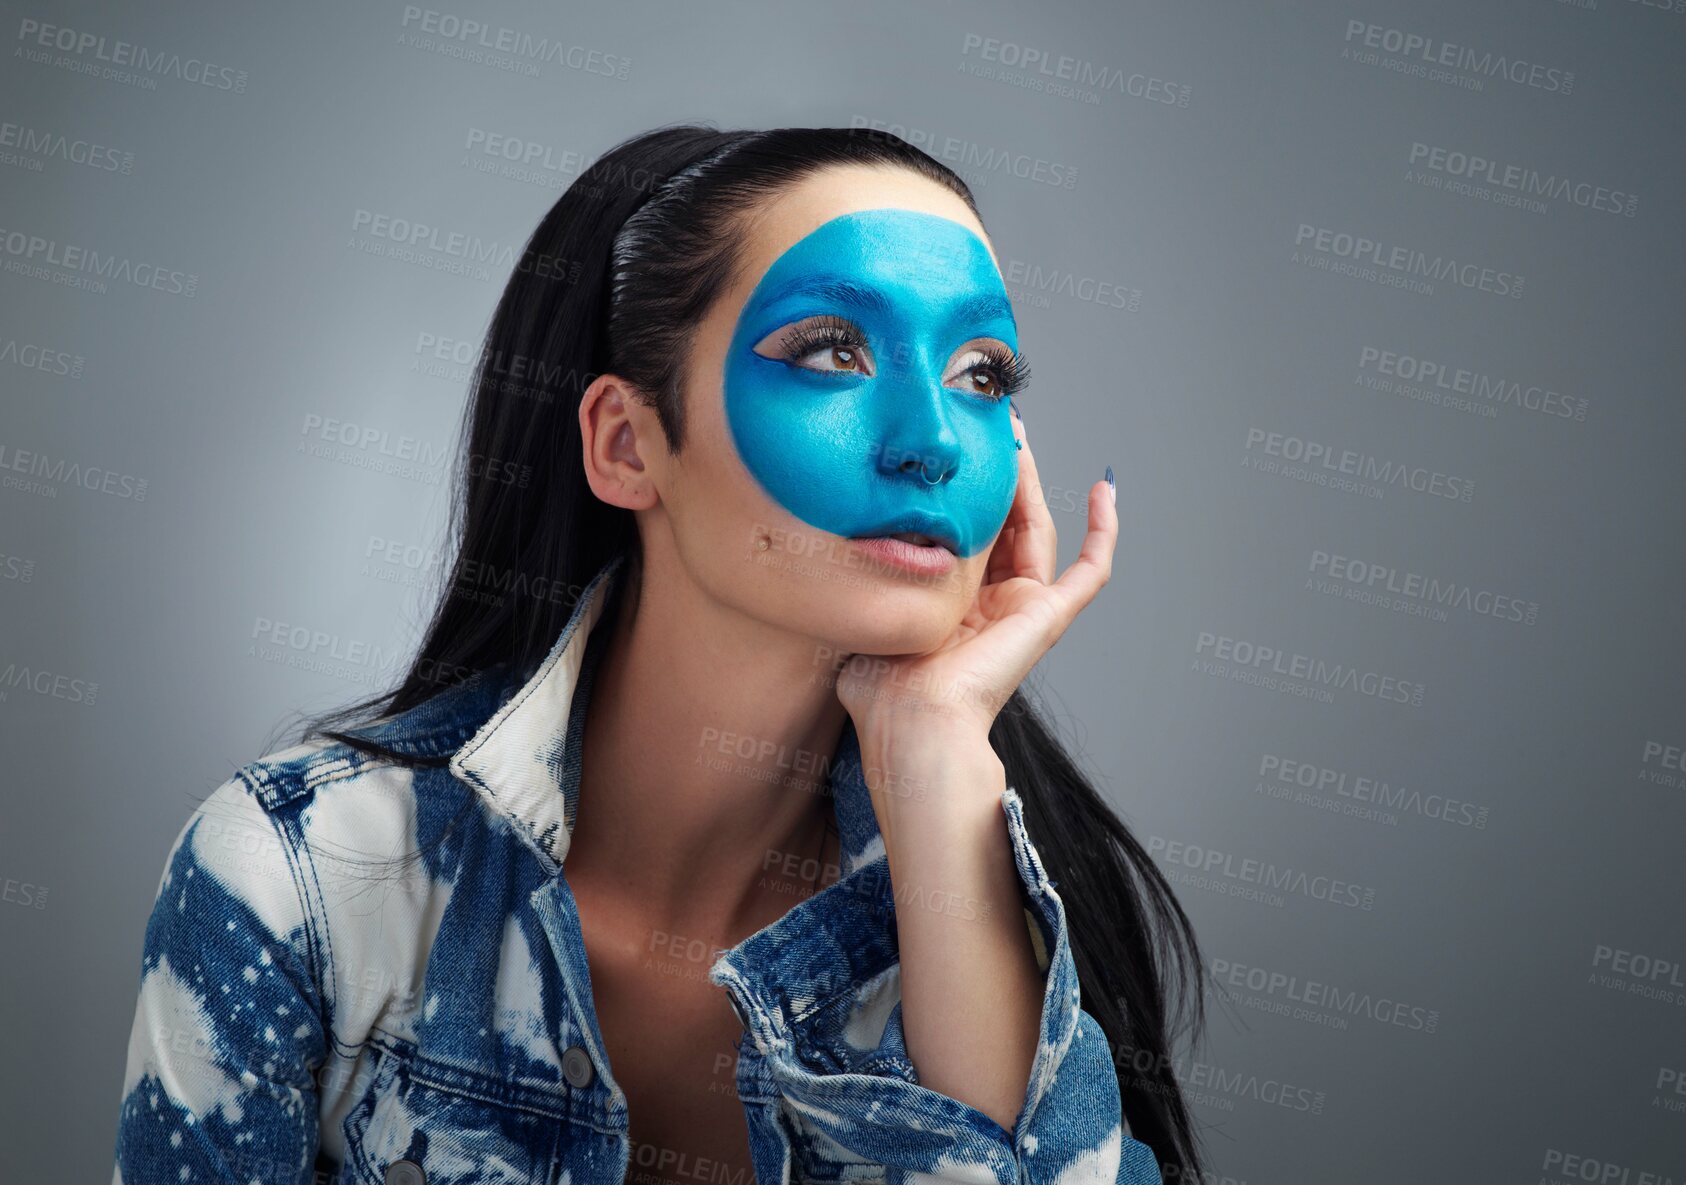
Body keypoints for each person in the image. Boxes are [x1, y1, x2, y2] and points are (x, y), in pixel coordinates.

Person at [112, 124, 1211, 1185]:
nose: (930, 440)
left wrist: (935, 759)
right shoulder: (296, 879)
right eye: (834, 351)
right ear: (627, 444)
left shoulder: (999, 892)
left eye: (982, 373)